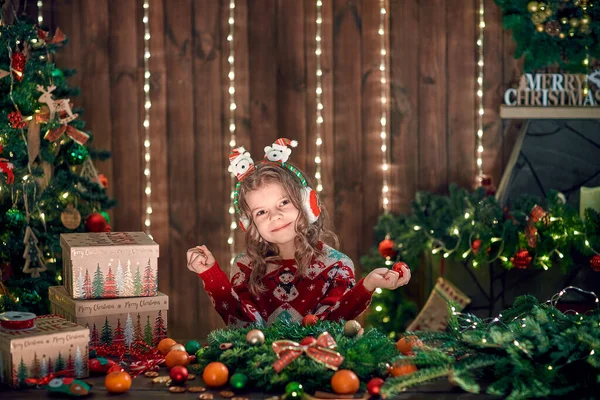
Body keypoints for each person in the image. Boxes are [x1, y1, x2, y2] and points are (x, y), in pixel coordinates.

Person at [187, 138, 411, 327]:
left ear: (306, 205)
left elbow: (331, 324)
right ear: (250, 225)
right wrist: (211, 275)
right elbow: (243, 325)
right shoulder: (245, 267)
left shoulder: (337, 266)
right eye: (261, 212)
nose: (274, 216)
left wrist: (368, 284)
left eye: (284, 202)